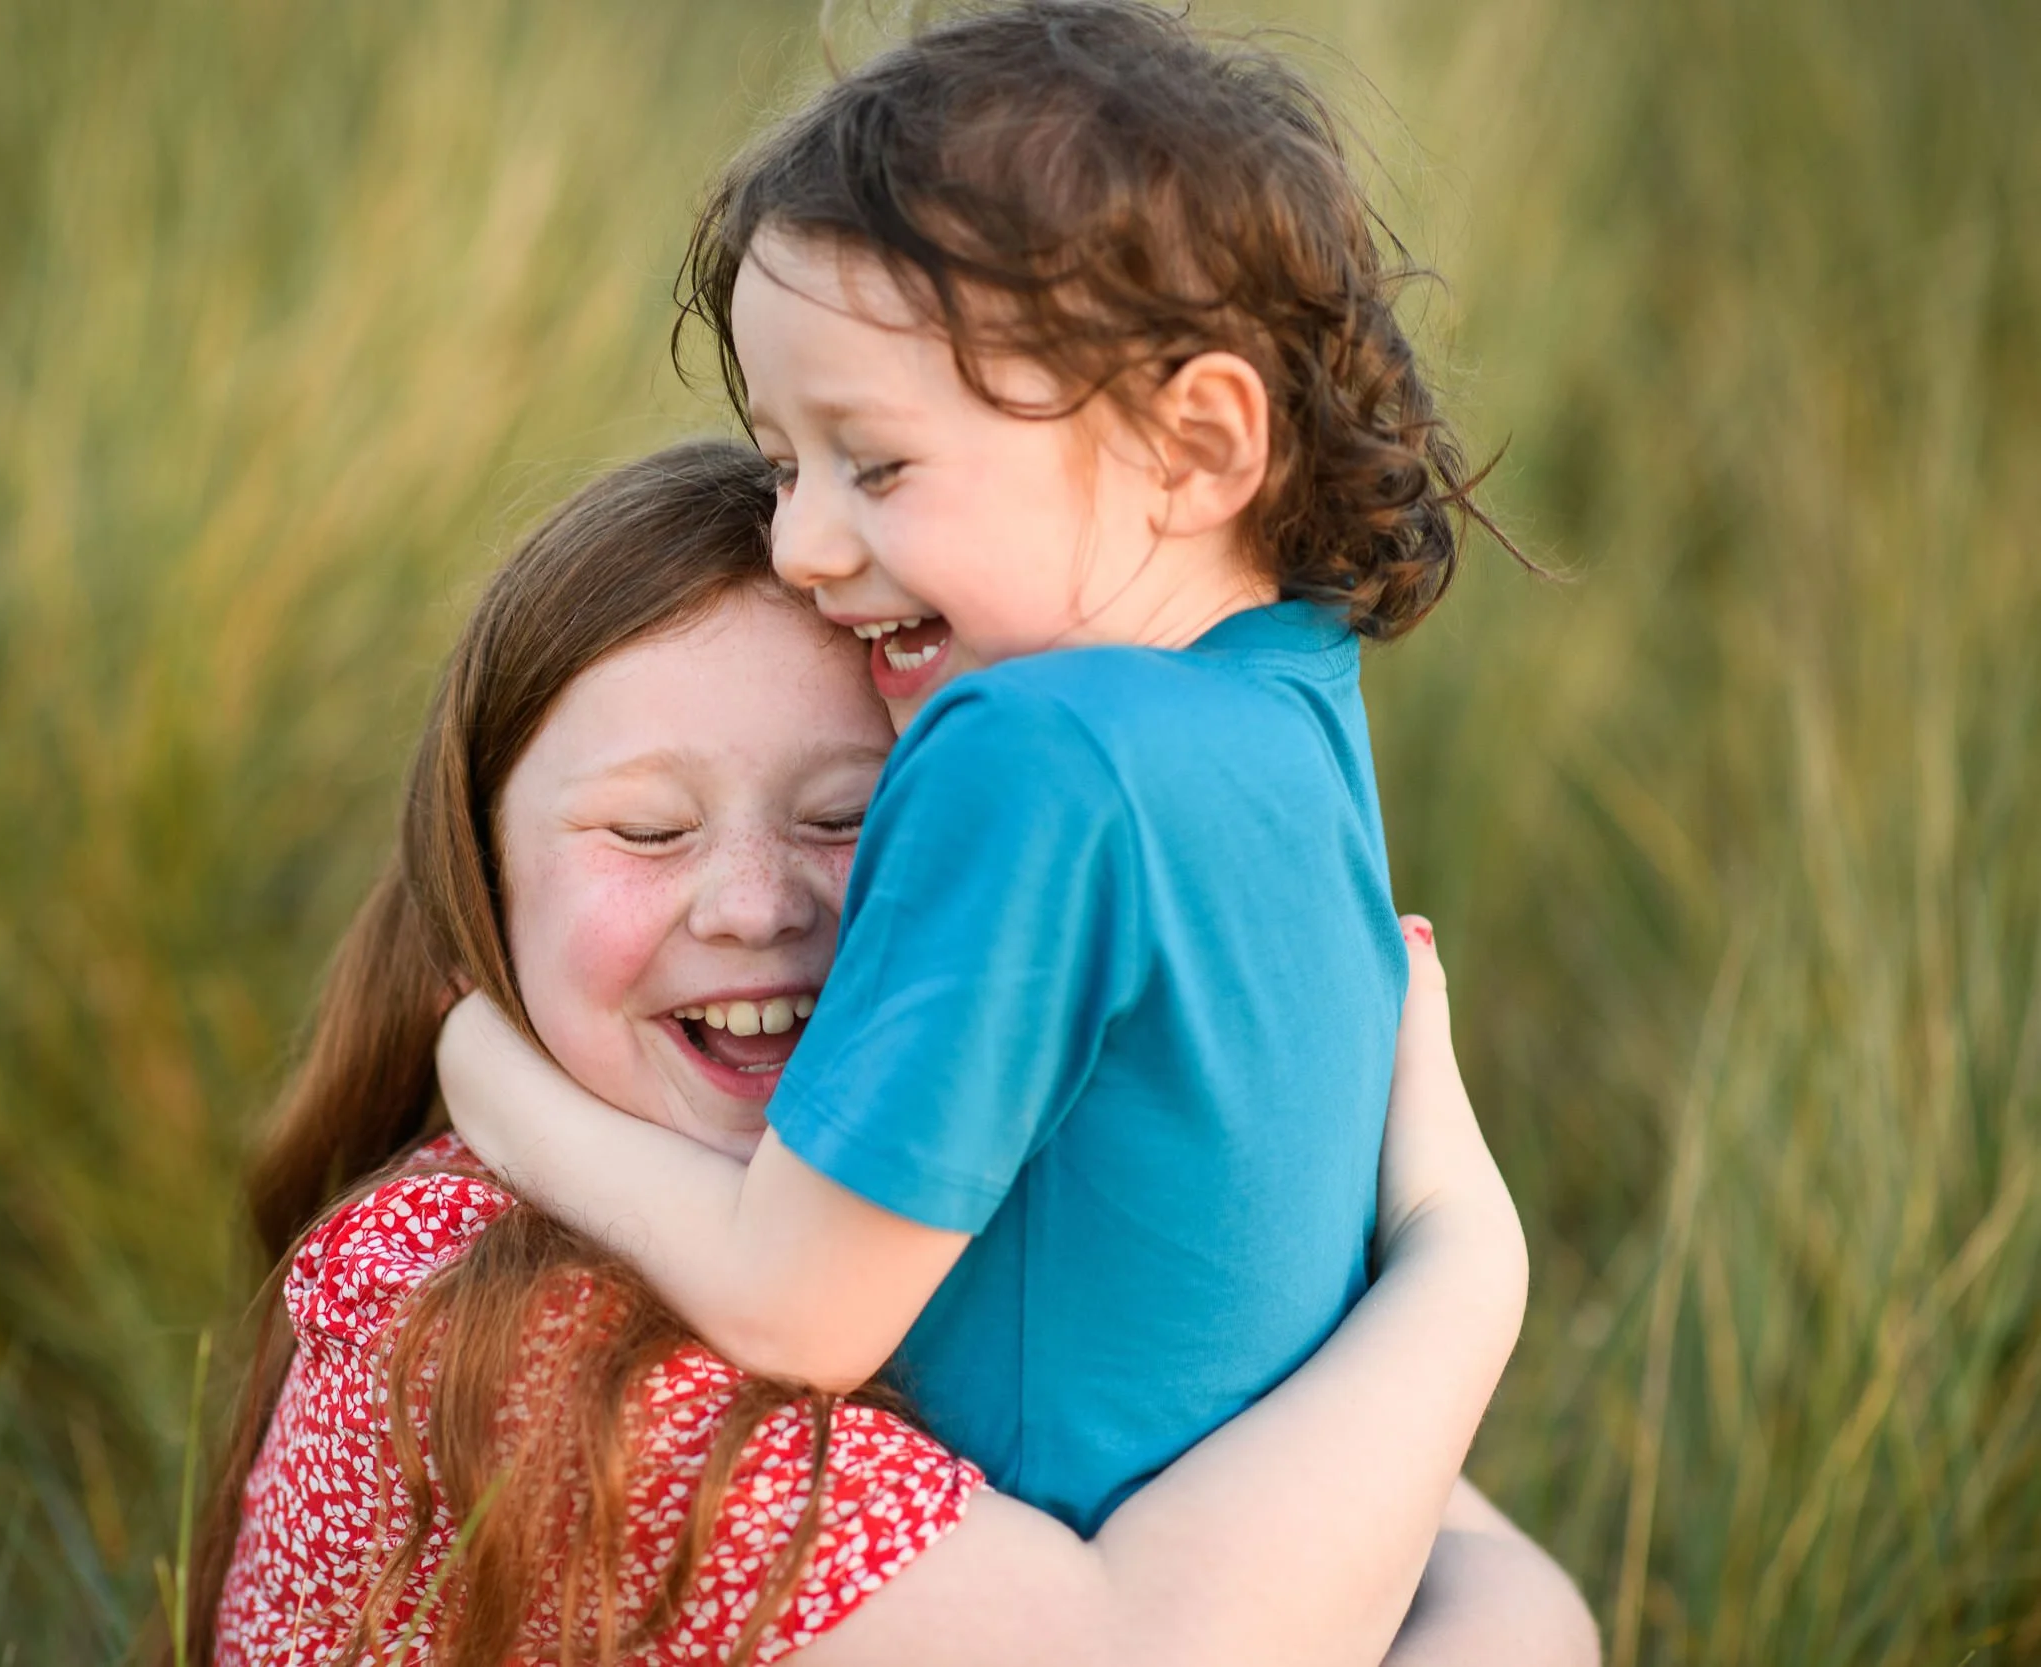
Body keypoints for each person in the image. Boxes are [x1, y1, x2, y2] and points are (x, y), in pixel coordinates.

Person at [194, 443, 1592, 1666]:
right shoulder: (510, 1337)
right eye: (646, 830)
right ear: (480, 889)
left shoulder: (908, 1212)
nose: (756, 905)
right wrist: (1465, 1259)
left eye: (855, 820)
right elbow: (1159, 1646)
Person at [443, 0, 1528, 1549]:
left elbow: (797, 1301)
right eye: (780, 466)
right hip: (1297, 1567)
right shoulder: (1294, 711)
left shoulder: (1034, 754)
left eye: (874, 465)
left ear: (1197, 445)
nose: (802, 546)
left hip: (1056, 1587)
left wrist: (498, 1090)